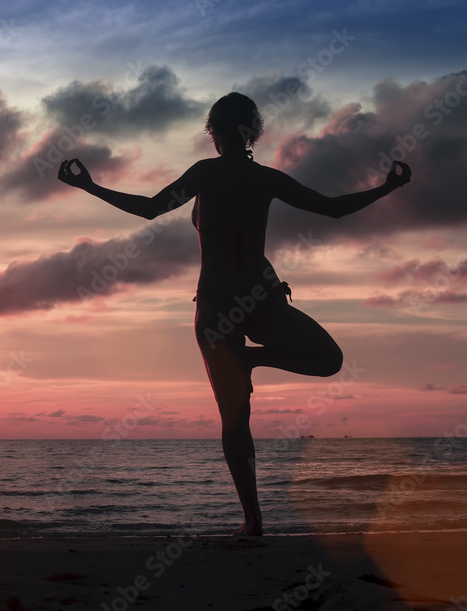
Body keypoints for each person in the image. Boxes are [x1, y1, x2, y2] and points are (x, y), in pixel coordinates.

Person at [58, 91, 411, 536]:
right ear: (254, 132)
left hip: (217, 307)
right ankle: (254, 368)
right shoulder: (265, 178)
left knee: (235, 418)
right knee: (329, 360)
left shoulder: (206, 173)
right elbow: (333, 208)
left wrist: (89, 186)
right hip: (260, 299)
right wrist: (388, 186)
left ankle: (253, 521)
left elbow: (150, 209)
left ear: (214, 132)